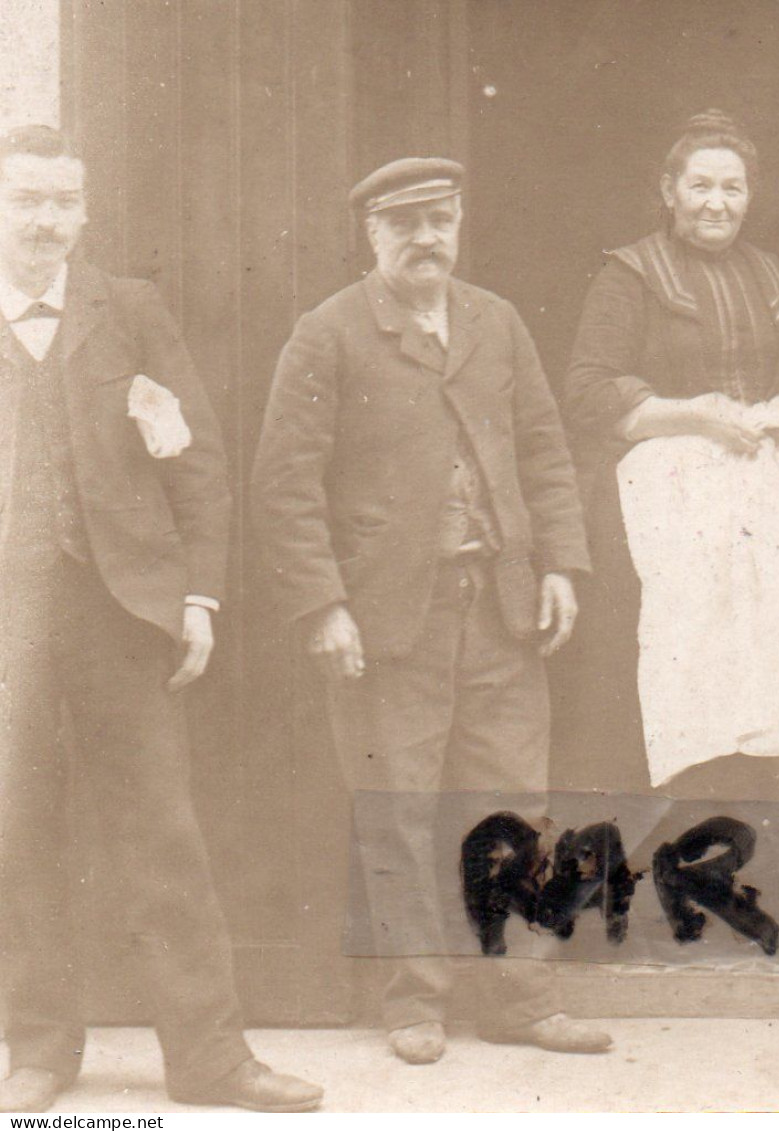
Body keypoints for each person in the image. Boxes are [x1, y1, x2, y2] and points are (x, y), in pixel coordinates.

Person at [251, 157, 609, 1065]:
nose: (426, 239)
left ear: (459, 224)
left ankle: (523, 998)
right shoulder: (328, 333)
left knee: (516, 809)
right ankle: (412, 1001)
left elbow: (544, 448)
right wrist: (325, 605)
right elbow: (284, 486)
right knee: (401, 807)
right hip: (387, 620)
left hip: (499, 608)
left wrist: (562, 563)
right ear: (372, 234)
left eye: (441, 219)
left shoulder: (497, 321)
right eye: (404, 224)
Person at [0, 125, 323, 1113]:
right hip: (10, 620)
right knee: (16, 831)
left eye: (62, 200)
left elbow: (196, 459)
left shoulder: (128, 312)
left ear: (85, 211)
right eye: (26, 200)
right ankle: (41, 1046)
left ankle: (211, 1059)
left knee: (162, 835)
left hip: (120, 611)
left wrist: (196, 597)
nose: (44, 219)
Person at [561, 110, 779, 806]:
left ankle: (762, 847)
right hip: (660, 511)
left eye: (732, 188)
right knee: (673, 676)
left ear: (750, 195)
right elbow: (587, 392)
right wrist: (694, 414)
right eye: (700, 186)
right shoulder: (629, 275)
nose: (716, 203)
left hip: (758, 508)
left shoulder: (768, 275)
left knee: (766, 671)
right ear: (668, 190)